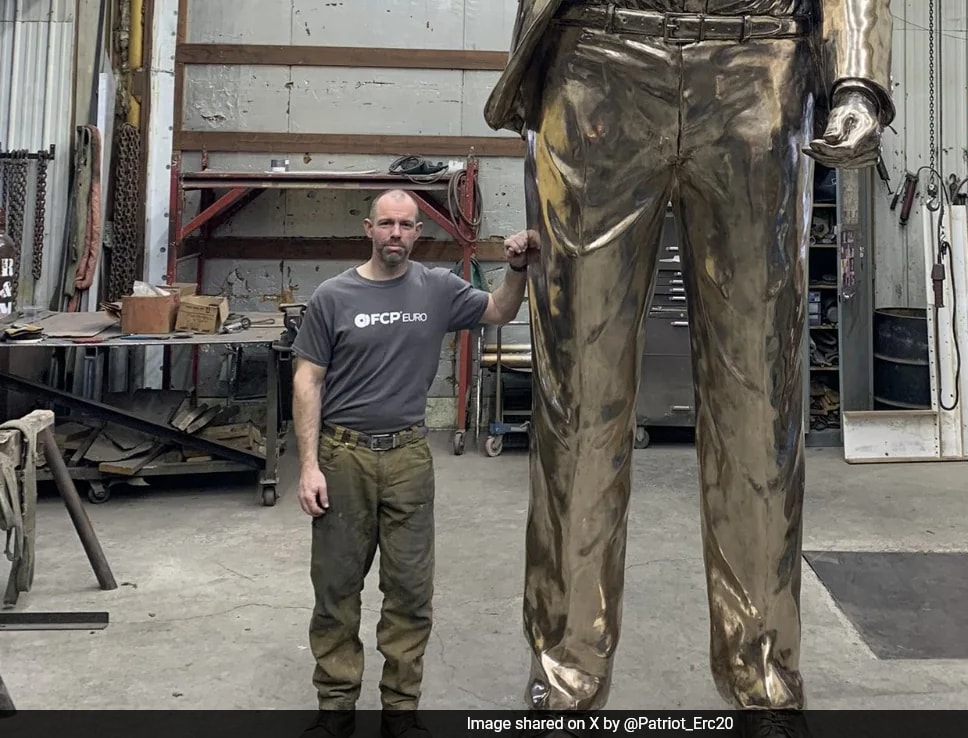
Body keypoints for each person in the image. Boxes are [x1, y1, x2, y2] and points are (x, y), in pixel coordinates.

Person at [483, 0, 894, 731]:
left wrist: (857, 78)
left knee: (759, 399)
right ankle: (565, 672)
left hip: (758, 66)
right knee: (578, 397)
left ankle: (763, 673)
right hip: (595, 61)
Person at [289, 189, 534, 738]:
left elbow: (499, 310)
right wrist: (308, 465)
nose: (396, 233)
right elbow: (307, 378)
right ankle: (336, 710)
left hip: (407, 457)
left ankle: (400, 711)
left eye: (406, 225)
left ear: (417, 233)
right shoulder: (333, 295)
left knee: (409, 594)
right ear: (368, 229)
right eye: (386, 224)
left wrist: (516, 267)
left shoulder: (439, 289)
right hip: (343, 454)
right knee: (335, 590)